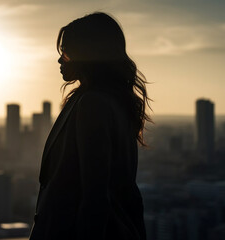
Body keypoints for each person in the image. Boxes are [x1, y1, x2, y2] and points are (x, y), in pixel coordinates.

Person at [29, 12, 151, 240]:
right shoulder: (116, 102)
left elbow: (95, 195)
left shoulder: (93, 104)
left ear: (86, 54)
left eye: (65, 52)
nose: (59, 60)